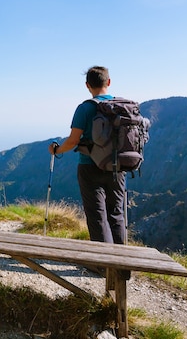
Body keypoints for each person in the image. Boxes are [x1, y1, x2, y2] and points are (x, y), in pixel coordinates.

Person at [48, 66, 126, 244]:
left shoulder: (85, 109)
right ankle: (122, 264)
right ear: (109, 82)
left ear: (87, 85)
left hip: (90, 166)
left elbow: (73, 141)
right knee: (116, 214)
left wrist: (56, 150)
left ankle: (101, 263)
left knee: (97, 215)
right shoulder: (121, 107)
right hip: (118, 167)